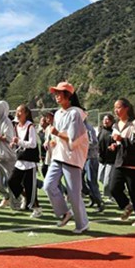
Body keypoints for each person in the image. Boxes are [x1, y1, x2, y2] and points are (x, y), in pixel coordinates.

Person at [43, 81, 90, 234]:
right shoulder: (58, 113)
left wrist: (57, 134)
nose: (56, 95)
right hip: (59, 156)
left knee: (74, 194)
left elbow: (73, 139)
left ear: (68, 95)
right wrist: (52, 141)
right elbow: (59, 137)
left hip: (72, 158)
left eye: (59, 93)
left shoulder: (75, 113)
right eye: (55, 93)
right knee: (48, 185)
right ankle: (65, 213)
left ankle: (82, 224)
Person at [108, 99, 135, 226]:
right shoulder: (115, 125)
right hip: (120, 160)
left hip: (132, 162)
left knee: (133, 191)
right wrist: (115, 145)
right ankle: (127, 205)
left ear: (126, 108)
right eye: (115, 108)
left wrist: (121, 139)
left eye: (118, 107)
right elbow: (118, 142)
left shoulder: (134, 123)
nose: (116, 110)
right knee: (113, 188)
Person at [8, 105, 41, 217]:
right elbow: (19, 141)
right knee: (11, 182)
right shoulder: (16, 126)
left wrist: (19, 141)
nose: (17, 114)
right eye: (17, 111)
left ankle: (37, 208)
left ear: (26, 114)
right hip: (20, 160)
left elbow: (33, 144)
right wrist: (14, 143)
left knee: (30, 186)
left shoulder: (30, 126)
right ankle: (25, 197)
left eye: (20, 112)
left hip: (30, 162)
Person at [0, 101, 17, 208]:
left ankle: (16, 201)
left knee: (11, 181)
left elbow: (8, 138)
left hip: (9, 156)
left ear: (0, 111)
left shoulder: (7, 122)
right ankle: (6, 196)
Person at [96, 113, 116, 200]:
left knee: (107, 181)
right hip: (102, 159)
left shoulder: (114, 132)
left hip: (111, 160)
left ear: (111, 121)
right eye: (104, 119)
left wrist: (114, 146)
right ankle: (115, 189)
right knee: (100, 178)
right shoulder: (101, 131)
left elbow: (119, 143)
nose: (105, 121)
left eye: (107, 119)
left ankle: (110, 196)